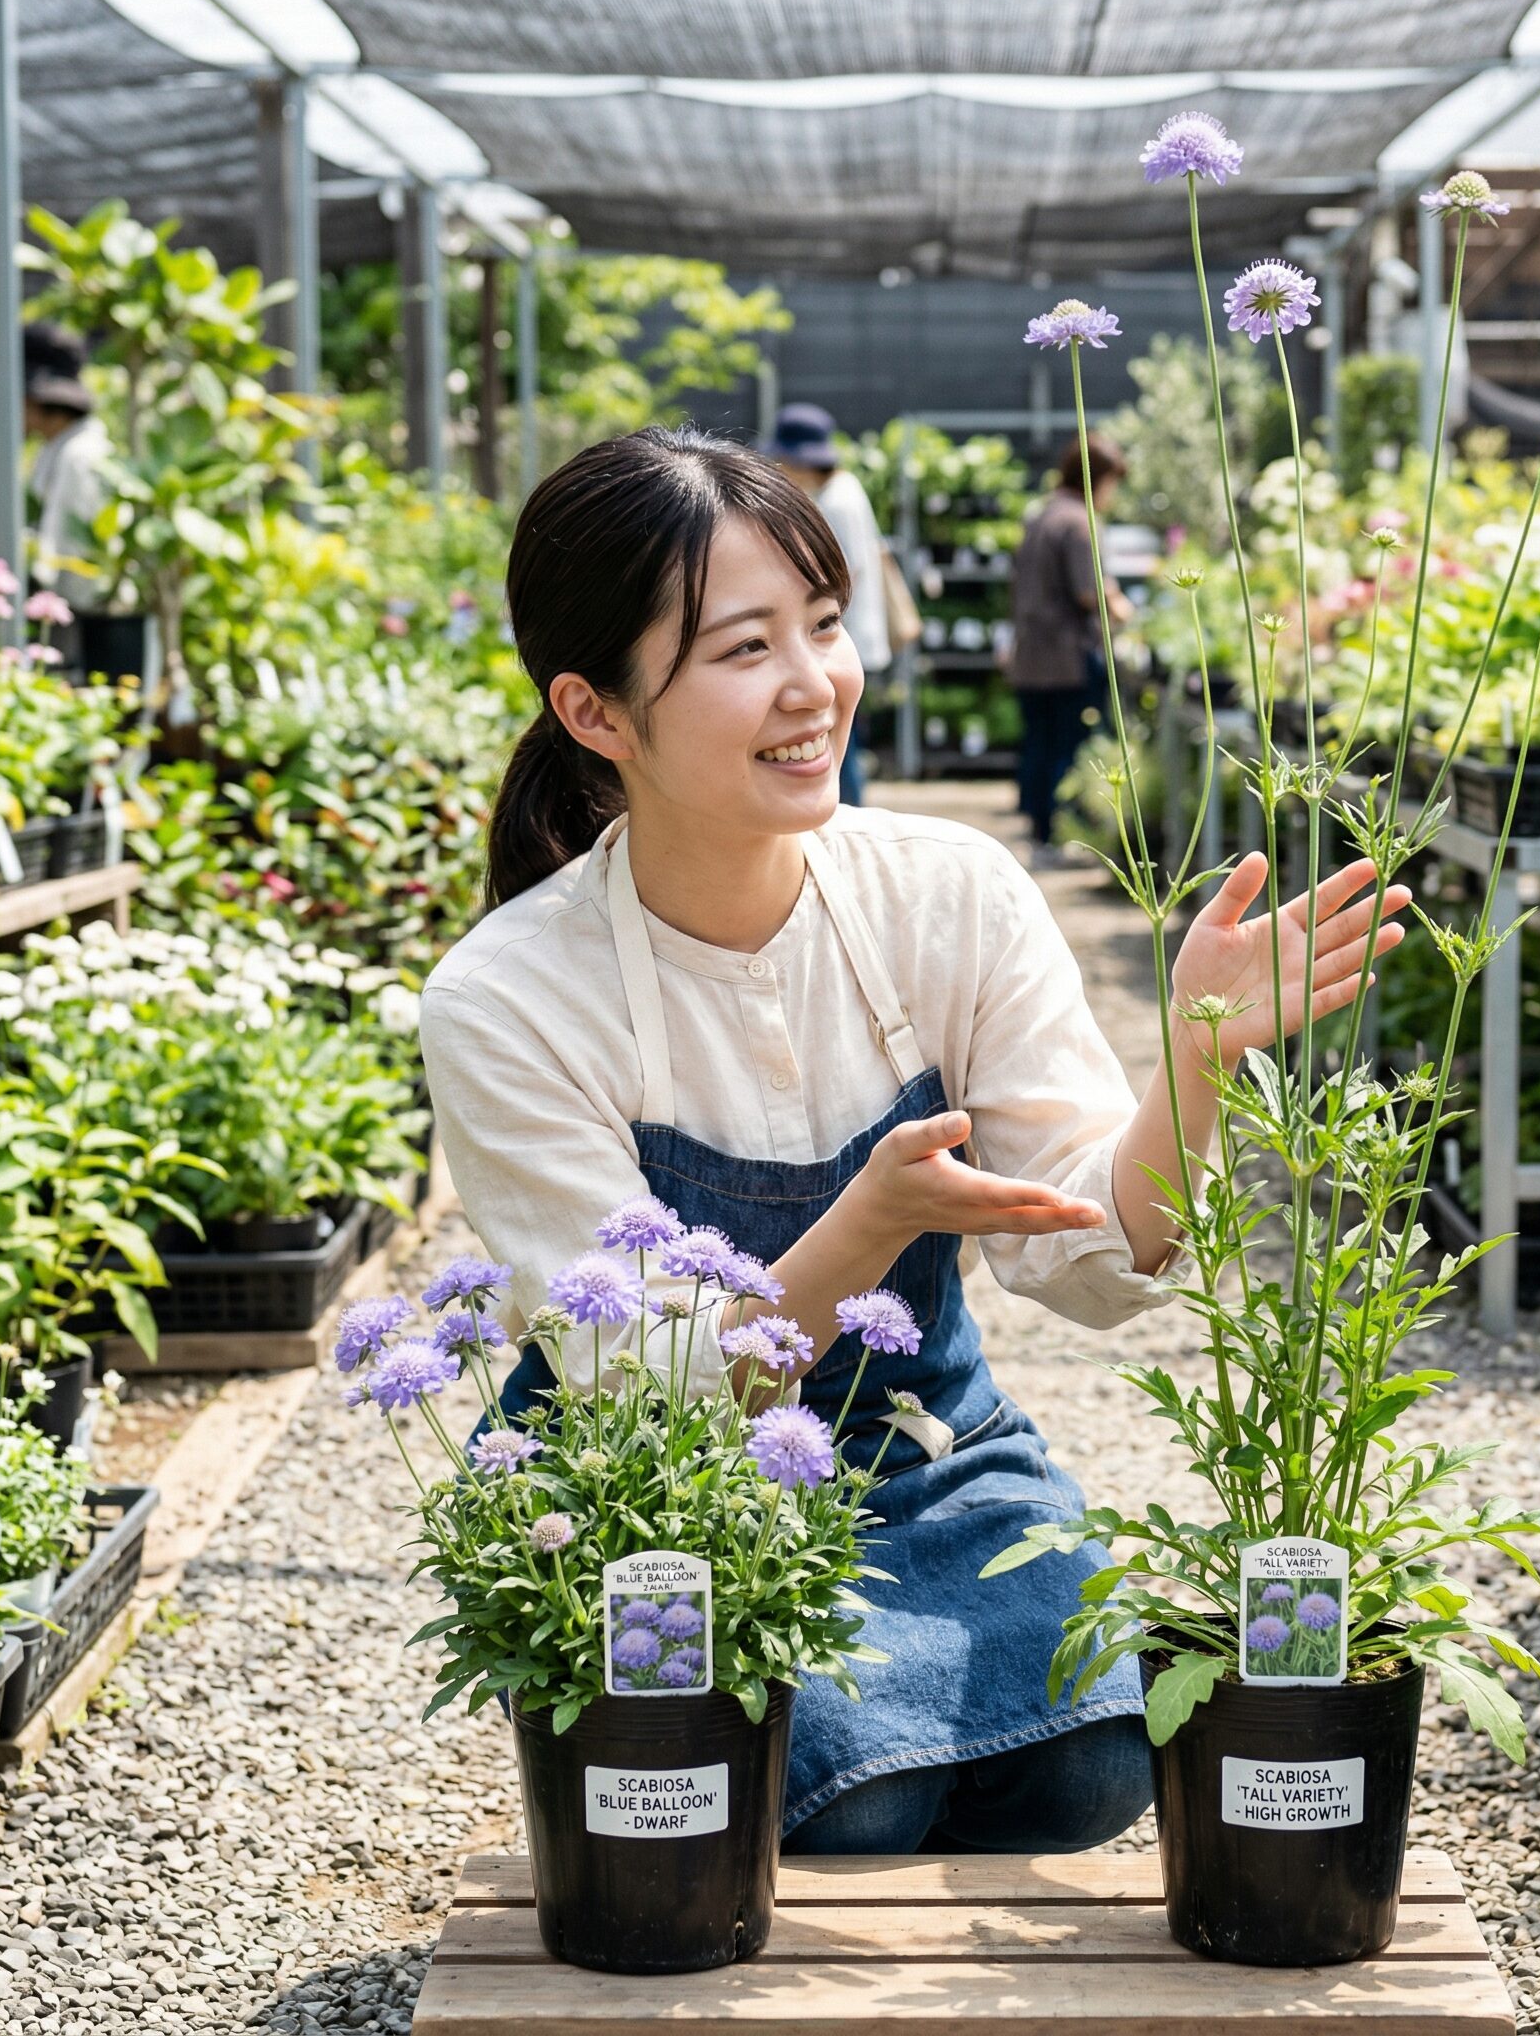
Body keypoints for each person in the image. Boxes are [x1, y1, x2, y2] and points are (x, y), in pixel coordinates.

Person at [419, 428, 1407, 1855]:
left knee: (1105, 1757)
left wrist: (1192, 1062)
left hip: (926, 1453)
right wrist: (869, 1223)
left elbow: (1083, 1255)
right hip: (655, 1508)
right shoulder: (510, 996)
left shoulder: (947, 893)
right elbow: (650, 1389)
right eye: (743, 648)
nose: (815, 684)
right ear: (596, 711)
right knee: (853, 1795)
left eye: (822, 627)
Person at [1008, 434, 1133, 861]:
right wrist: (1122, 607)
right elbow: (1089, 591)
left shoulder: (1042, 514)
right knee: (1066, 748)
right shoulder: (1079, 522)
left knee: (1038, 744)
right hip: (1065, 660)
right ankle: (1059, 836)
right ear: (1097, 479)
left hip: (1031, 656)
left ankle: (1040, 833)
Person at [760, 402, 890, 806]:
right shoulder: (845, 489)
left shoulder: (833, 503)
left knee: (834, 738)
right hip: (849, 634)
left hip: (839, 638)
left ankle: (844, 816)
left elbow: (836, 578)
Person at [22, 323, 112, 609]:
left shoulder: (79, 456)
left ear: (35, 401)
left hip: (80, 624)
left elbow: (75, 571)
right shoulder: (57, 449)